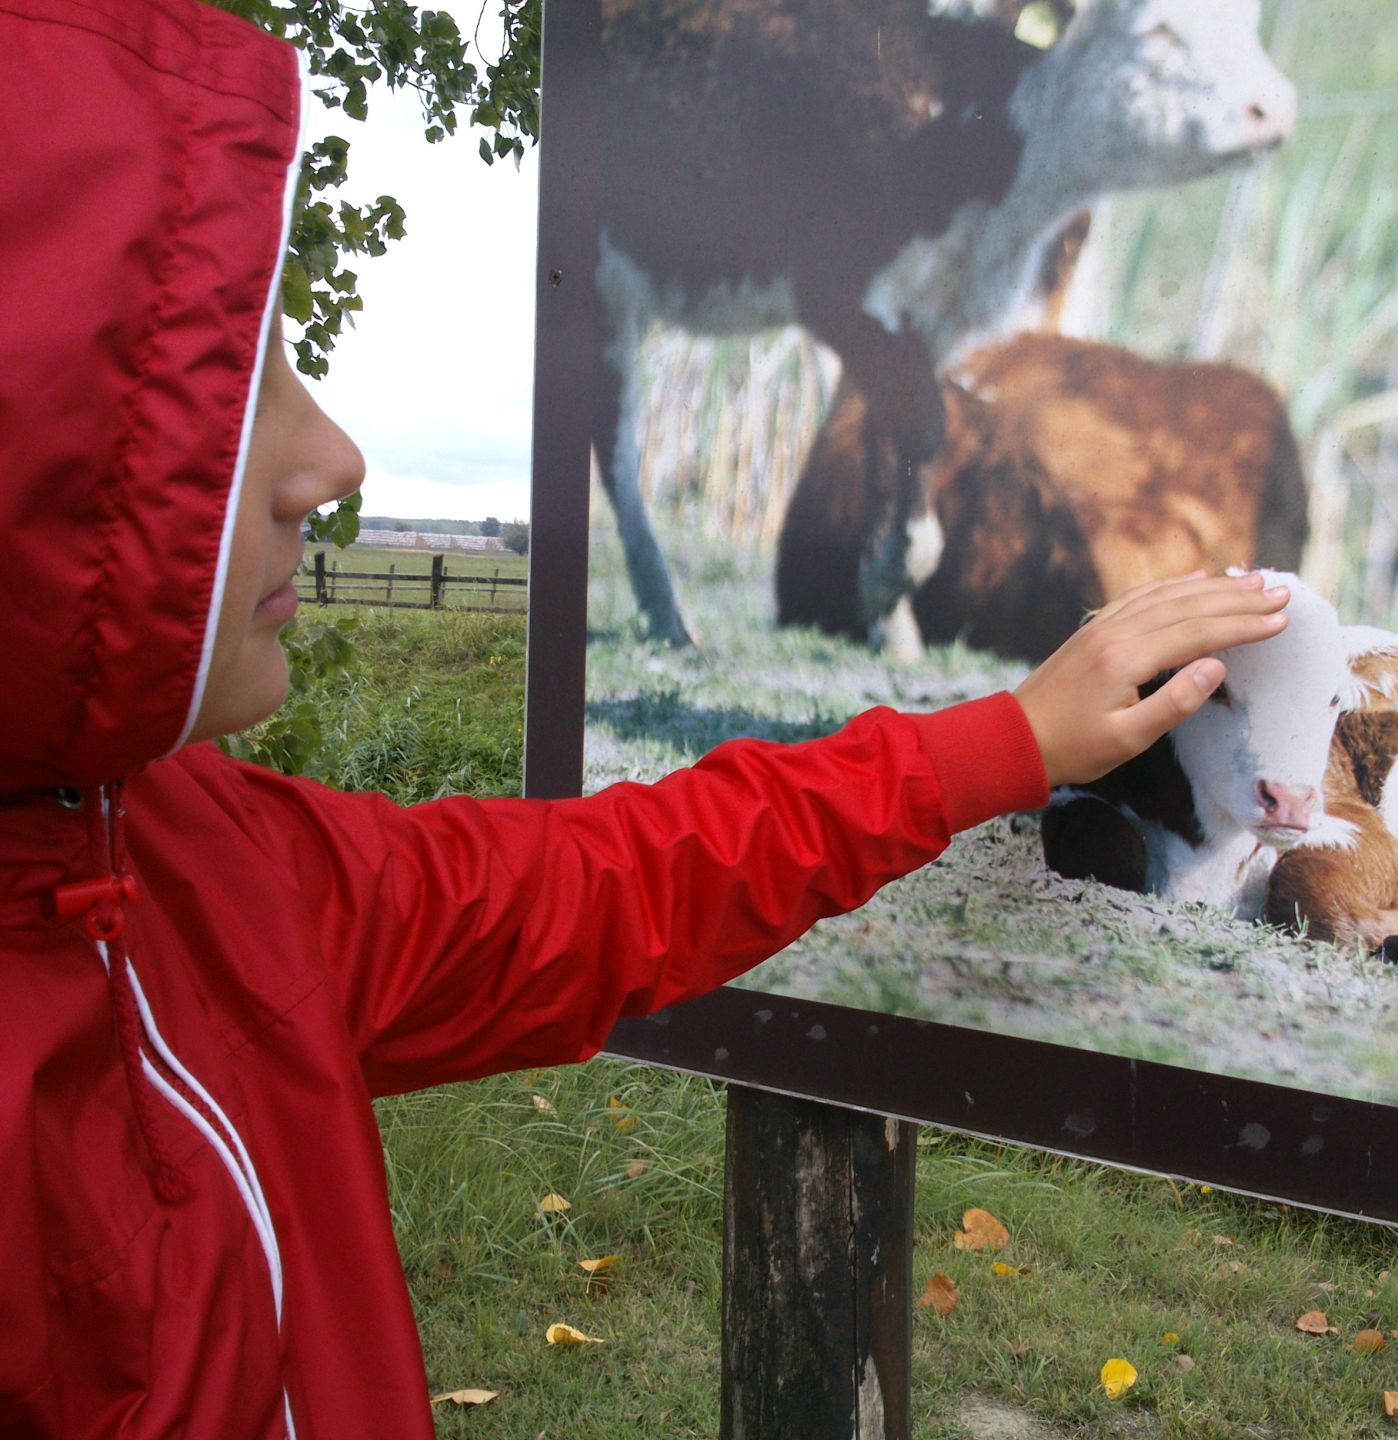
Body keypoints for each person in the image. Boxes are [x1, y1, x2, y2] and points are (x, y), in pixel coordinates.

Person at [0, 0, 1292, 1433]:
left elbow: (601, 886)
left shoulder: (211, 870)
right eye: (224, 394)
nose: (335, 457)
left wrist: (1002, 743)